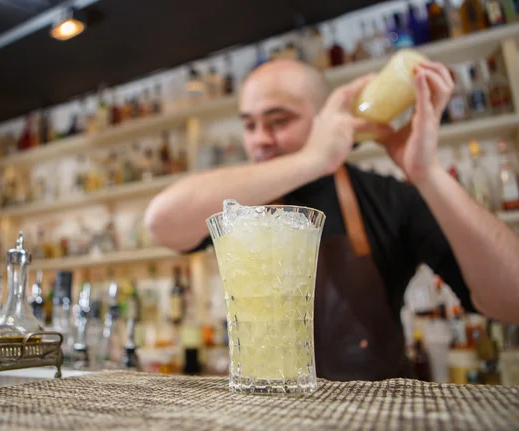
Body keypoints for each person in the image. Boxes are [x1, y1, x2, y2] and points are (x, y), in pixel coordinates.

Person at [144, 59, 519, 381]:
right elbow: (161, 222)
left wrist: (427, 173)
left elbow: (511, 301)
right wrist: (312, 159)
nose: (260, 140)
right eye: (249, 125)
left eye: (278, 121)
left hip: (380, 414)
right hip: (264, 413)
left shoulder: (387, 197)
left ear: (327, 118)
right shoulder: (244, 203)